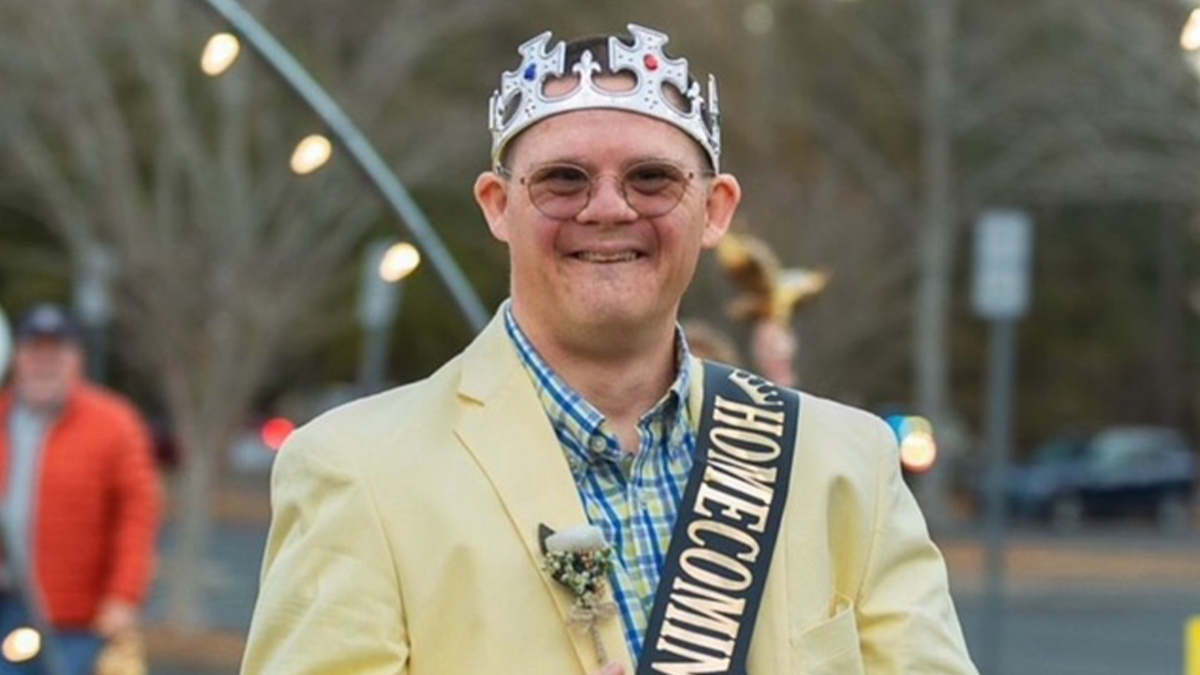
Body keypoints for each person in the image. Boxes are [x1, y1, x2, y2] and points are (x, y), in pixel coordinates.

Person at [243, 24, 979, 675]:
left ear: (716, 208)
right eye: (562, 179)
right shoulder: (358, 469)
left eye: (651, 178)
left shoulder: (845, 463)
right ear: (499, 206)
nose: (607, 207)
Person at [0, 304, 163, 675]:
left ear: (77, 359)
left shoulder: (113, 424)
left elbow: (137, 515)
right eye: (34, 352)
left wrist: (124, 596)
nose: (45, 363)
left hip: (76, 616)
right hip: (7, 608)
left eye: (56, 352)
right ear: (18, 357)